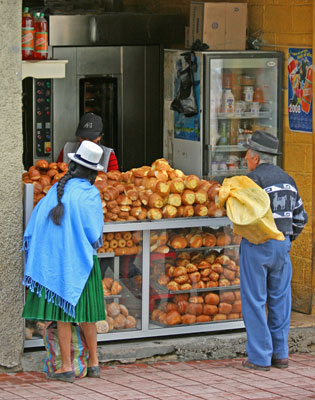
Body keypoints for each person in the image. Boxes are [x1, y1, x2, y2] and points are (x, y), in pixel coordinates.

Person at [22, 141, 106, 383]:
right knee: (88, 314)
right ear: (93, 171)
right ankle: (94, 363)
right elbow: (93, 233)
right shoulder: (90, 193)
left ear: (73, 165)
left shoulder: (55, 190)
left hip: (57, 263)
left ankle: (66, 367)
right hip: (84, 261)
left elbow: (37, 223)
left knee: (64, 314)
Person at [240, 130, 308, 371]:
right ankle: (280, 354)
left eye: (247, 155)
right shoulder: (288, 179)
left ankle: (259, 358)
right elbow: (302, 217)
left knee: (255, 301)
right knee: (280, 300)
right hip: (282, 245)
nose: (246, 159)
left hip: (257, 245)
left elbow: (243, 217)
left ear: (255, 158)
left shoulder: (252, 181)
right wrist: (287, 239)